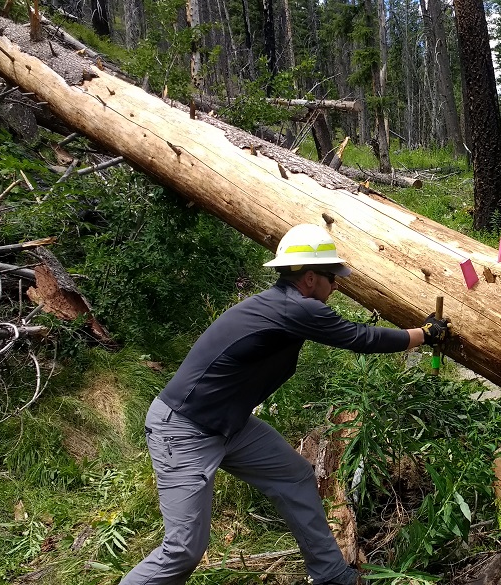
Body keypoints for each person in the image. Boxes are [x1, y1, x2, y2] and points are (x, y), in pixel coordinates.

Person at [120, 223, 450, 585]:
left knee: (293, 475)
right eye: (331, 277)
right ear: (310, 278)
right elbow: (361, 337)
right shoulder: (297, 309)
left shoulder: (282, 305)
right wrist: (425, 334)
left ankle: (333, 576)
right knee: (183, 548)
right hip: (184, 429)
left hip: (228, 424)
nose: (336, 285)